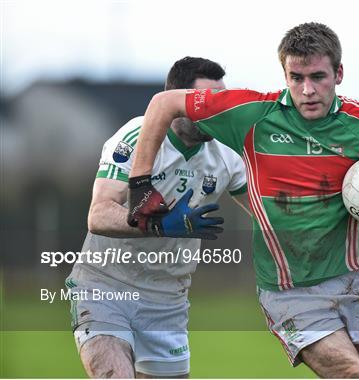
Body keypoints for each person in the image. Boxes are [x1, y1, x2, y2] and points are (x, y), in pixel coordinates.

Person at [128, 23, 359, 378]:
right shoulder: (252, 114)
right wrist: (140, 183)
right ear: (284, 75)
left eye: (318, 76)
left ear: (339, 73)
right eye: (296, 77)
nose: (307, 90)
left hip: (355, 280)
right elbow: (163, 102)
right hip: (289, 292)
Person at [66, 56, 248, 378]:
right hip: (107, 287)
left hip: (168, 300)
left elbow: (269, 213)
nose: (216, 111)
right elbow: (99, 214)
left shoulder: (228, 156)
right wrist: (158, 224)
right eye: (204, 102)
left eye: (220, 101)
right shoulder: (136, 136)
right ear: (176, 103)